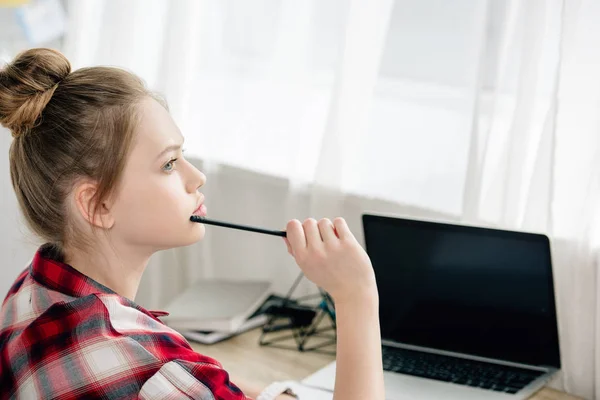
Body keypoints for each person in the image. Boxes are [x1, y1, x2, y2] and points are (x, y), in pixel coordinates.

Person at [0, 48, 384, 400]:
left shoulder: (30, 293)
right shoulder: (154, 371)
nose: (196, 176)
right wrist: (356, 296)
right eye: (169, 163)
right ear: (97, 204)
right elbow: (160, 374)